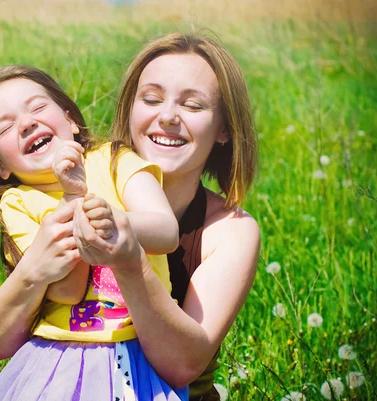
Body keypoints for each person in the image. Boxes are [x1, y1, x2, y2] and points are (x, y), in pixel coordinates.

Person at [0, 65, 187, 400]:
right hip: (58, 358)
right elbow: (67, 291)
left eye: (36, 107)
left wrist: (113, 221)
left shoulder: (114, 160)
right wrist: (74, 198)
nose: (26, 123)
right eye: (5, 128)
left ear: (71, 121)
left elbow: (166, 231)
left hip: (141, 351)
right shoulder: (18, 203)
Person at [73, 32, 261, 400]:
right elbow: (4, 339)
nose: (168, 116)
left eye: (193, 106)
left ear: (224, 128)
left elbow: (182, 365)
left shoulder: (231, 231)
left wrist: (129, 260)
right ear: (130, 110)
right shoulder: (83, 188)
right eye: (152, 99)